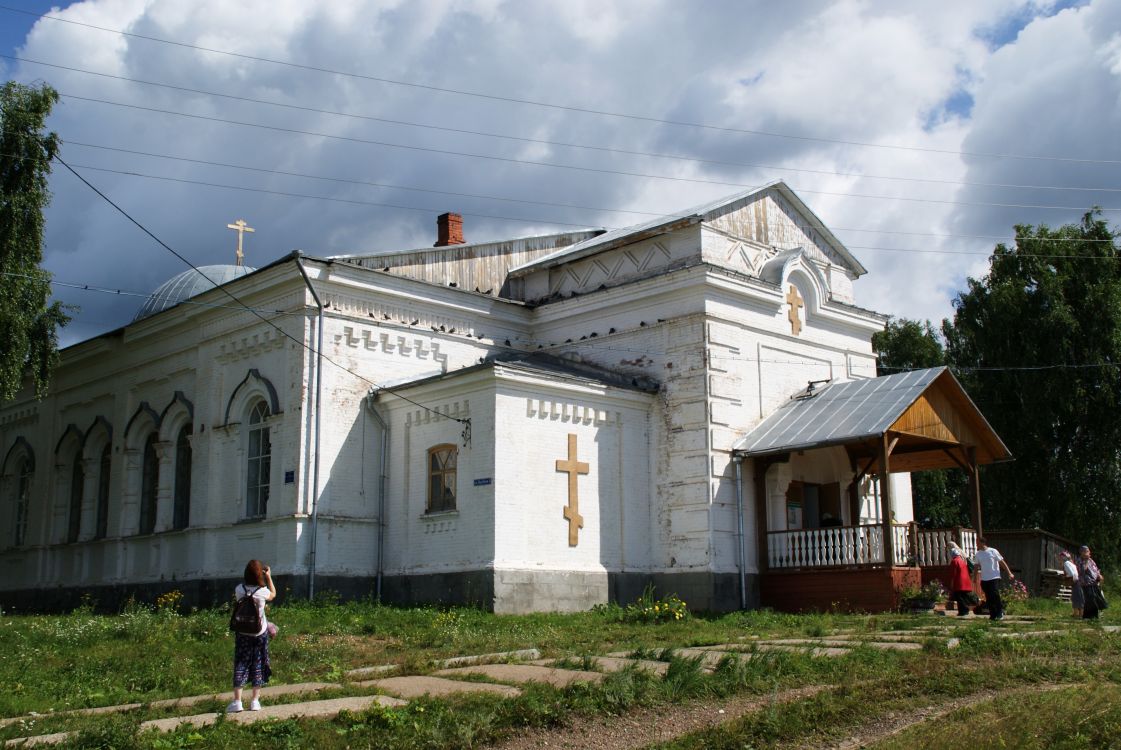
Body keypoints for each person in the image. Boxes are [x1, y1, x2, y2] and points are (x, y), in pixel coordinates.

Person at [228, 560, 277, 713]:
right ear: (259, 574)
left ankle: (237, 702)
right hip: (259, 633)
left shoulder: (239, 589)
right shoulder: (262, 591)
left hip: (243, 632)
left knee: (241, 664)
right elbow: (273, 595)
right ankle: (255, 701)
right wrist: (268, 577)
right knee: (258, 664)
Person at [974, 537, 1014, 621]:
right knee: (988, 597)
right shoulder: (978, 554)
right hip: (984, 579)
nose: (976, 544)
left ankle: (1000, 613)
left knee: (995, 595)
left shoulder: (993, 551)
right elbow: (976, 566)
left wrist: (1009, 573)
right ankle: (992, 615)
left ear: (982, 543)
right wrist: (974, 577)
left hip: (994, 577)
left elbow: (1002, 562)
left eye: (977, 542)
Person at [1078, 545, 1105, 620]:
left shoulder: (1091, 560)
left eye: (1087, 551)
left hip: (1094, 582)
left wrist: (1099, 575)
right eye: (1084, 551)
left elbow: (1095, 569)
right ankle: (1090, 617)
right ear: (1081, 553)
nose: (1086, 553)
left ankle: (1092, 616)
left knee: (1095, 598)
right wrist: (1086, 560)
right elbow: (1083, 570)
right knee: (1090, 598)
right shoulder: (1080, 560)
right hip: (1086, 583)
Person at [947, 544, 974, 616]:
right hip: (966, 581)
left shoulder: (954, 561)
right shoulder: (962, 561)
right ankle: (966, 610)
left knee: (959, 598)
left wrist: (952, 583)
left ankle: (963, 611)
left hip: (959, 582)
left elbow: (954, 573)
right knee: (964, 597)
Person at [1061, 550, 1083, 618]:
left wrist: (1065, 577)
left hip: (1075, 581)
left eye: (1061, 557)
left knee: (1075, 597)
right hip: (1078, 581)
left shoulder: (1066, 563)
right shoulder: (1072, 563)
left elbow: (1071, 573)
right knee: (1079, 597)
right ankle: (1080, 613)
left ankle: (1076, 614)